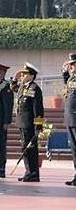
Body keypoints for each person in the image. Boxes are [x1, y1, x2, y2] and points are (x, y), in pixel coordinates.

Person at [11, 62, 44, 182]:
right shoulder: (23, 87)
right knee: (25, 148)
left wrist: (38, 126)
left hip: (30, 124)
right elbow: (13, 88)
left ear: (31, 75)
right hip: (22, 123)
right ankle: (29, 172)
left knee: (30, 149)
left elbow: (38, 109)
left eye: (24, 74)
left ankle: (33, 173)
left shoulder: (34, 88)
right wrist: (14, 79)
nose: (22, 76)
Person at [61, 53, 76, 186]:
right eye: (70, 65)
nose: (70, 67)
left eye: (72, 64)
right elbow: (68, 86)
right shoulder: (72, 78)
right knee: (74, 149)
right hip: (70, 118)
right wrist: (64, 73)